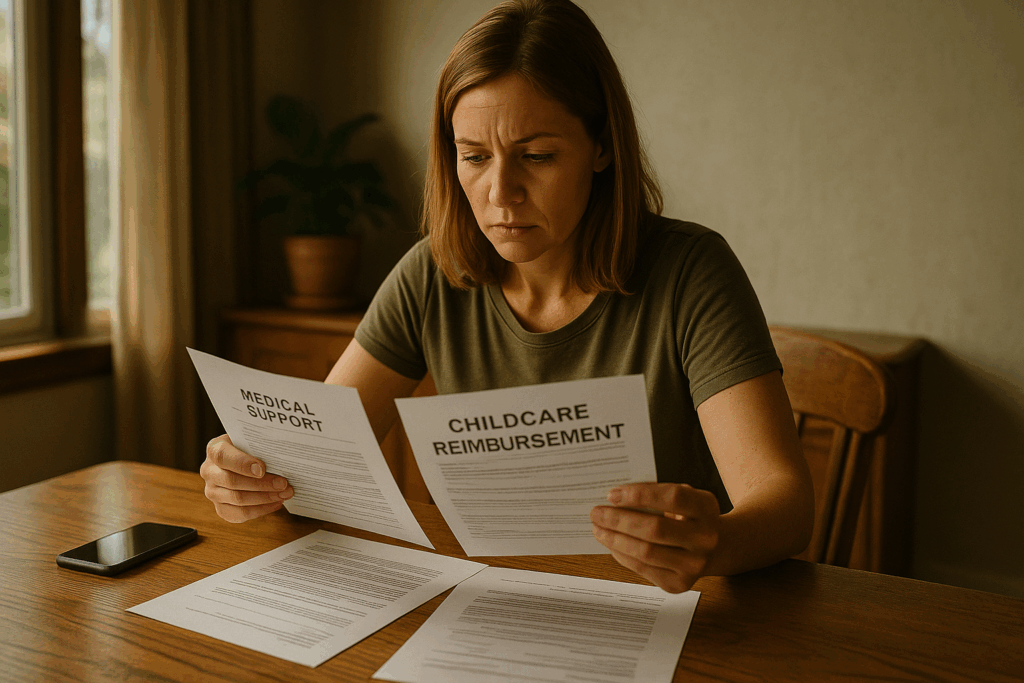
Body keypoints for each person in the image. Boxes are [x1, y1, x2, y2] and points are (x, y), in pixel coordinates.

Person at [202, 0, 814, 594]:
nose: (502, 193)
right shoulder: (430, 274)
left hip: (670, 613)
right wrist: (249, 478)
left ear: (601, 147)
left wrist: (717, 544)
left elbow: (783, 506)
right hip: (501, 601)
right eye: (473, 157)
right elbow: (314, 459)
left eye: (538, 156)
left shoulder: (691, 271)